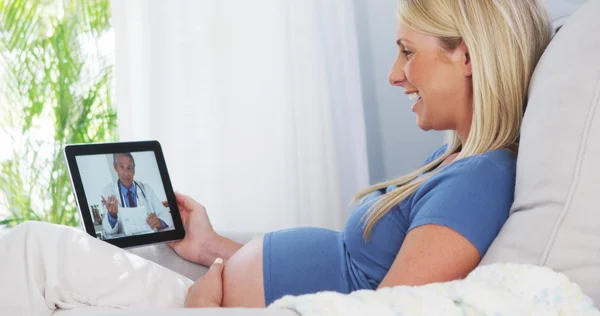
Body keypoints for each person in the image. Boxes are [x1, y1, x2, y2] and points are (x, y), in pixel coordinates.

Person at [0, 0, 553, 314]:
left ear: (470, 58)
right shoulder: (454, 163)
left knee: (31, 254)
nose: (393, 73)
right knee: (35, 258)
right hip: (212, 297)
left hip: (210, 311)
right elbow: (352, 276)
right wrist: (213, 247)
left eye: (408, 52)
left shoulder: (481, 178)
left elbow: (388, 312)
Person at [101, 153, 173, 236]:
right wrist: (112, 215)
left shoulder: (146, 189)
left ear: (134, 170)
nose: (126, 173)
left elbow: (166, 213)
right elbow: (109, 230)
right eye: (121, 167)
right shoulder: (109, 191)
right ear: (115, 167)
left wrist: (160, 222)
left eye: (129, 168)